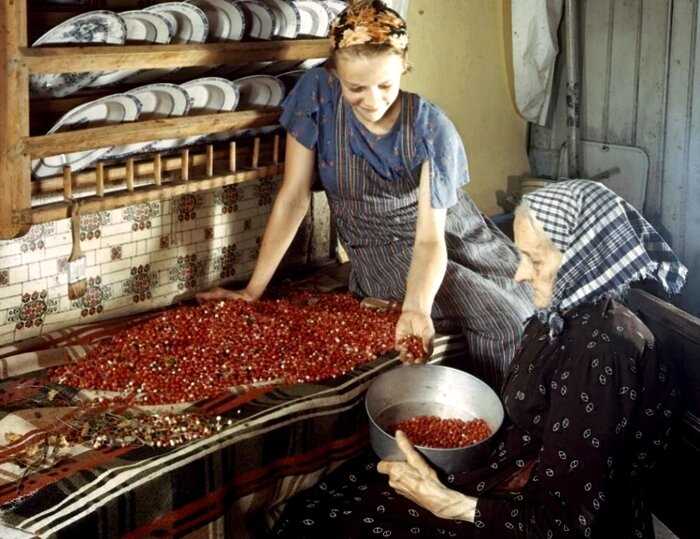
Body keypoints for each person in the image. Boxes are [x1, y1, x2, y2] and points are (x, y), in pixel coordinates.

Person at [270, 179, 687, 538]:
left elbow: (570, 520)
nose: (518, 275)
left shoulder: (603, 353)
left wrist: (449, 503)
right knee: (332, 498)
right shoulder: (558, 316)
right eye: (520, 255)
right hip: (515, 477)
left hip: (551, 522)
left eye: (535, 260)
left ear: (586, 262)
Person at [198, 0, 533, 388]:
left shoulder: (431, 127)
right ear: (334, 72)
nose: (372, 101)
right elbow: (293, 197)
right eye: (356, 87)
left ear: (404, 68)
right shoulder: (317, 96)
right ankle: (508, 432)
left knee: (526, 300)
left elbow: (429, 240)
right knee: (502, 320)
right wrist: (254, 290)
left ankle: (506, 422)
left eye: (386, 86)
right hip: (381, 247)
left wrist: (417, 308)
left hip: (445, 232)